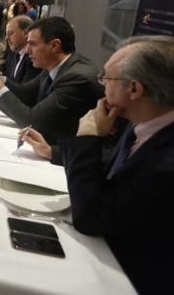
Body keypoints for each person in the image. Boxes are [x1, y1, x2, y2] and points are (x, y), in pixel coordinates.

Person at [21, 35, 174, 294]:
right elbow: (114, 169)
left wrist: (88, 137)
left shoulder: (166, 166)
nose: (101, 85)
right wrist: (53, 152)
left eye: (106, 78)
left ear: (135, 89)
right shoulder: (142, 123)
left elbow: (91, 217)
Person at [0, 17, 103, 162]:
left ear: (54, 46)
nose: (28, 50)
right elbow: (26, 93)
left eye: (32, 44)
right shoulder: (54, 65)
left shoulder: (77, 78)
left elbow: (32, 121)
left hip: (68, 159)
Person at [0, 15, 42, 83]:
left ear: (25, 34)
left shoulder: (33, 58)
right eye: (6, 34)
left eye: (10, 33)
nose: (6, 38)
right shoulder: (14, 49)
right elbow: (4, 68)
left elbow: (23, 90)